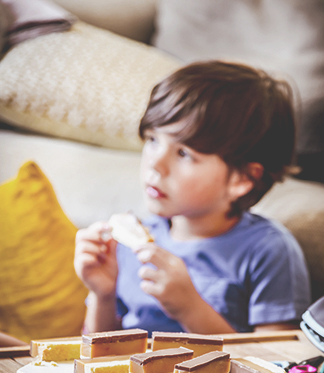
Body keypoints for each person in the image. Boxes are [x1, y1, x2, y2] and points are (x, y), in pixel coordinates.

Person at [74, 60, 311, 338]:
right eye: (153, 140)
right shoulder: (129, 242)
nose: (155, 164)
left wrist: (190, 309)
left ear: (242, 179)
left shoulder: (268, 251)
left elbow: (278, 365)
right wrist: (103, 294)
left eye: (184, 153)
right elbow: (96, 356)